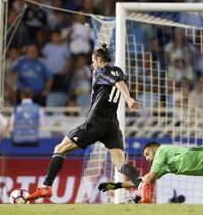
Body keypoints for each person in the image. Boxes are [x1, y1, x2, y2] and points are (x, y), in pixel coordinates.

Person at [27, 44, 142, 200]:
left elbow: (117, 83)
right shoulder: (118, 71)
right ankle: (142, 186)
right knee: (120, 164)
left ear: (98, 60)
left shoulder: (102, 72)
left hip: (95, 124)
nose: (92, 65)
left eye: (93, 61)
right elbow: (118, 80)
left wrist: (128, 98)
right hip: (112, 126)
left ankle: (46, 187)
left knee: (60, 148)